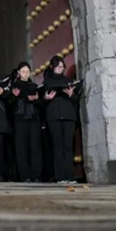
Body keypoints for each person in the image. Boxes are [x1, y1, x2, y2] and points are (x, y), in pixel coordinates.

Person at [43, 56, 78, 184]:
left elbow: (76, 99)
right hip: (54, 116)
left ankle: (70, 175)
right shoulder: (47, 82)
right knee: (57, 146)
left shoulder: (68, 81)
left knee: (68, 146)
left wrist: (71, 94)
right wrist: (46, 98)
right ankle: (60, 176)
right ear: (52, 67)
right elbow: (41, 101)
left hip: (68, 116)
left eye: (62, 67)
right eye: (58, 67)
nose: (60, 69)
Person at [10, 61, 43, 182]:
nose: (26, 74)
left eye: (27, 71)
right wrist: (15, 96)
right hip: (20, 120)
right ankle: (24, 175)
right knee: (21, 148)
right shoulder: (14, 86)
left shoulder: (34, 86)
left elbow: (41, 105)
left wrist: (37, 99)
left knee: (35, 147)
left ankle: (36, 174)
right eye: (23, 71)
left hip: (34, 119)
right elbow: (10, 104)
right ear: (19, 72)